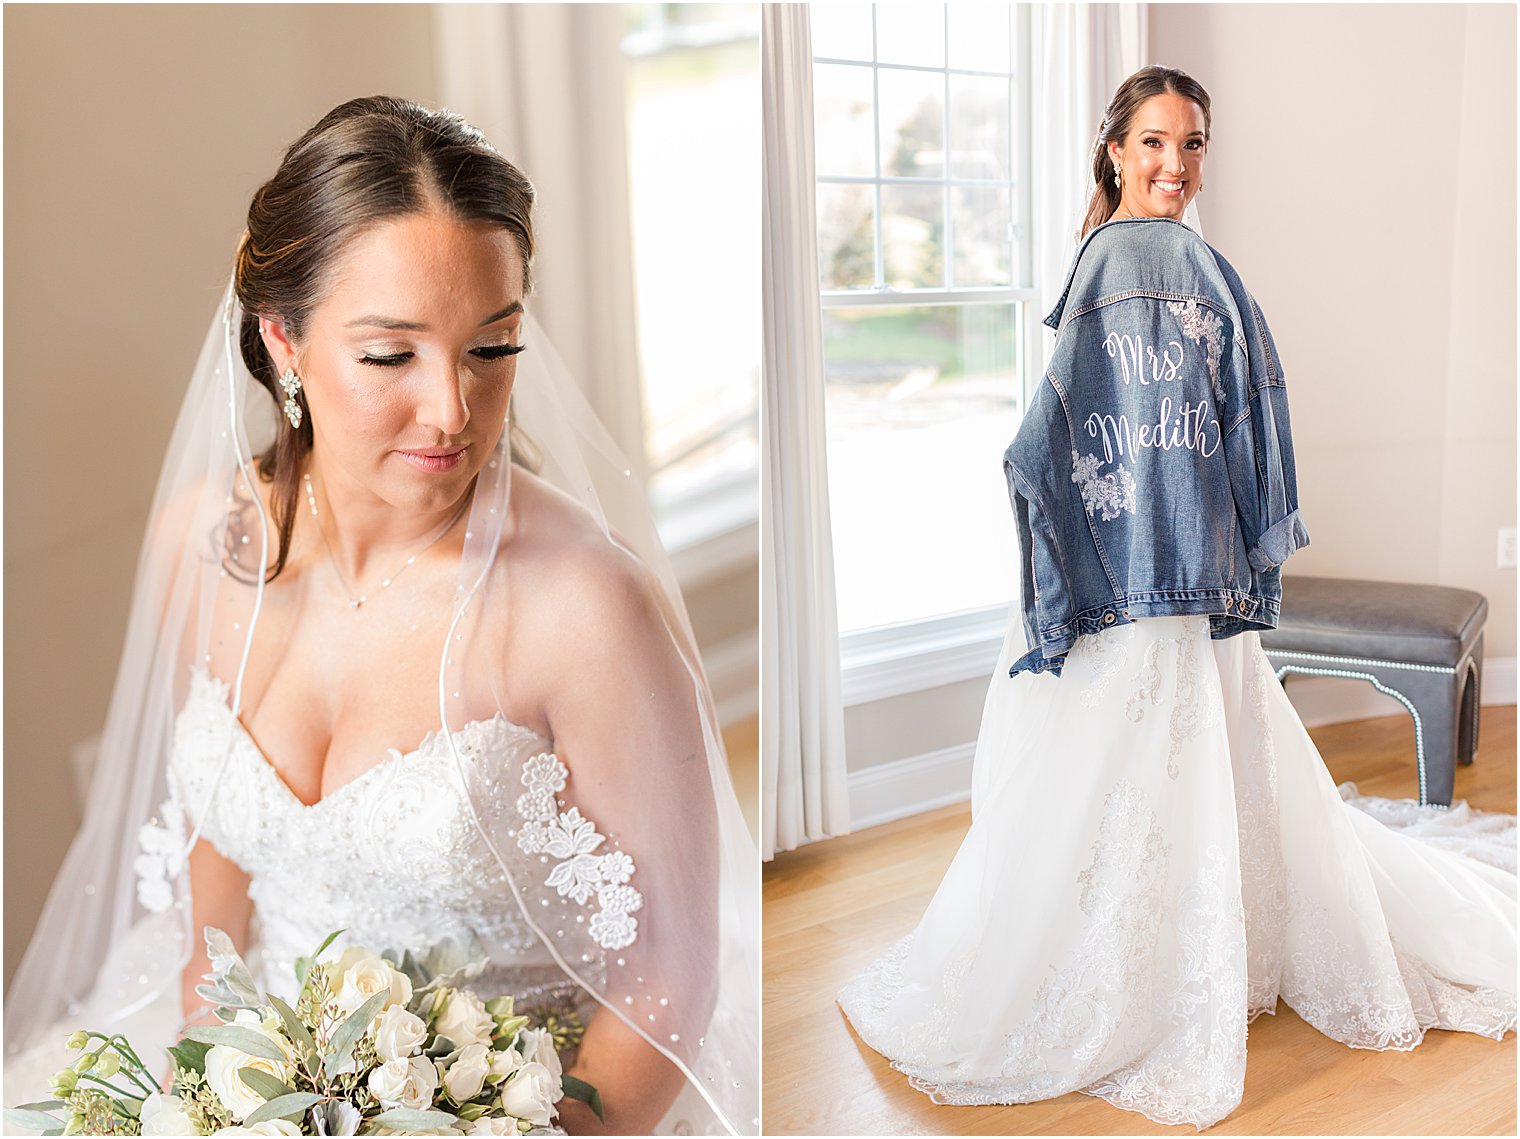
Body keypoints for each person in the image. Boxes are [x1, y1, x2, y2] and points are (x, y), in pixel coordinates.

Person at [4, 97, 758, 1136]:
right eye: (392, 354)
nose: (452, 408)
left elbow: (671, 968)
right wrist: (209, 1087)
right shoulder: (199, 542)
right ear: (283, 343)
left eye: (491, 348)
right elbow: (214, 874)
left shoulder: (584, 607)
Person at [837, 66, 1515, 1129]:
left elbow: (1046, 440)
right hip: (1186, 578)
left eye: (1191, 145)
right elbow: (1247, 419)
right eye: (1153, 143)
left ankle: (1140, 962)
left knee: (1112, 782)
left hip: (1127, 580)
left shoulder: (1123, 259)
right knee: (1198, 766)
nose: (1174, 166)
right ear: (1113, 149)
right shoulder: (1163, 260)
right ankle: (1200, 948)